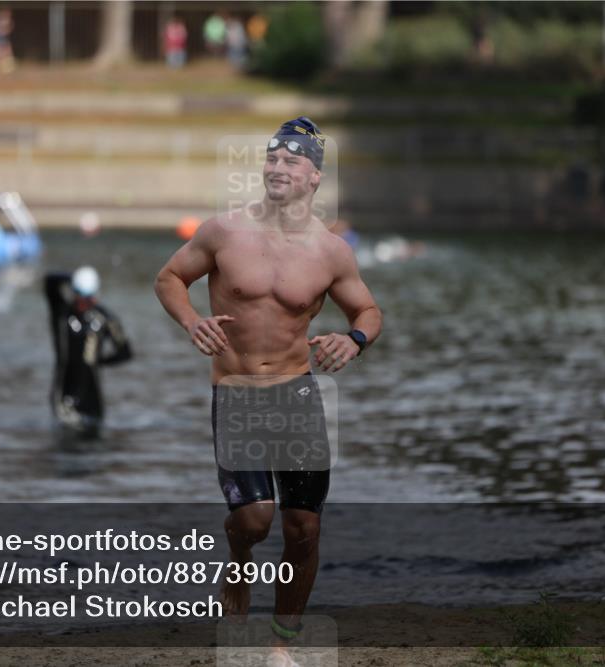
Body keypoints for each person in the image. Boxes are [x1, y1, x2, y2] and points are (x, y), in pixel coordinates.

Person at [154, 117, 382, 658]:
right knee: (255, 521)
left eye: (292, 161)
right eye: (273, 159)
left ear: (314, 178)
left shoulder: (330, 251)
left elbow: (368, 310)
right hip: (235, 391)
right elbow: (168, 278)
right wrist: (192, 322)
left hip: (296, 393)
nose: (278, 168)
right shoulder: (222, 232)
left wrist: (353, 340)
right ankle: (238, 561)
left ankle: (283, 642)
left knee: (303, 528)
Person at [44, 266, 132, 439]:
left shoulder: (104, 318)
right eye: (79, 296)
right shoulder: (62, 313)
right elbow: (50, 281)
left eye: (88, 297)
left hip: (92, 396)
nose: (83, 303)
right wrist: (73, 276)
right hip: (64, 393)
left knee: (94, 444)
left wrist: (98, 361)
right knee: (66, 439)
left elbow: (125, 352)